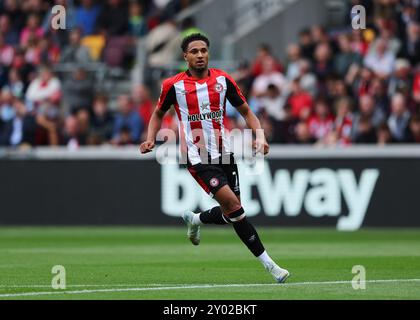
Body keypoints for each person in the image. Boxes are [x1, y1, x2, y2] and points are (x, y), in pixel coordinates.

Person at [139, 33, 290, 283]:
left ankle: (195, 218)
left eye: (204, 51)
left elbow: (247, 112)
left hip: (225, 154)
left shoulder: (223, 80)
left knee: (232, 211)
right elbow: (158, 113)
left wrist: (260, 137)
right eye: (195, 51)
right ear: (185, 56)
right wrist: (151, 138)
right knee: (234, 207)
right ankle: (271, 266)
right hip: (198, 158)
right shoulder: (173, 85)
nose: (200, 55)